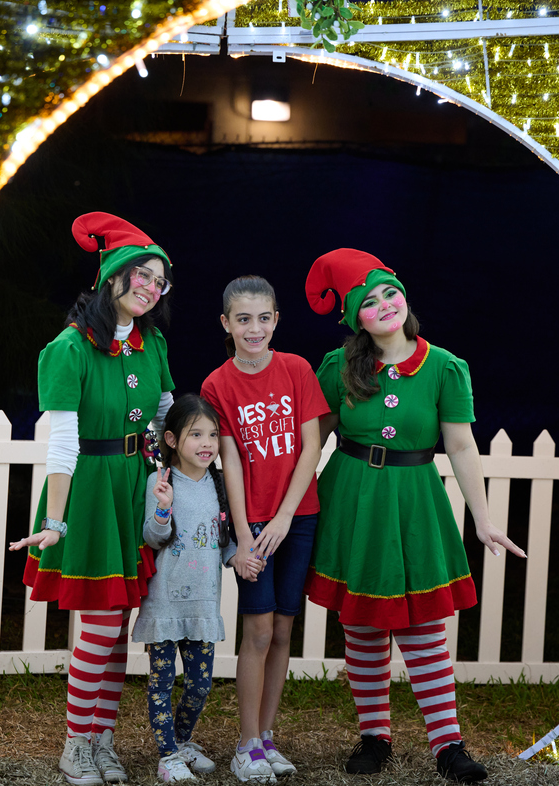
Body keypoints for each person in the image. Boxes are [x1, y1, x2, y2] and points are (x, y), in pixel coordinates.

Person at [304, 248, 525, 783]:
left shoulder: (445, 367)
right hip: (352, 498)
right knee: (361, 622)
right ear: (355, 316)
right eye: (368, 301)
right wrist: (286, 508)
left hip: (414, 498)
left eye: (389, 294)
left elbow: (463, 447)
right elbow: (313, 441)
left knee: (423, 623)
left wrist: (483, 518)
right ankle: (374, 737)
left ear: (404, 298)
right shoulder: (338, 368)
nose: (383, 305)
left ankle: (448, 745)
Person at [9, 212, 175, 786]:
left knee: (120, 620)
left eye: (160, 281)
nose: (151, 288)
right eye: (142, 276)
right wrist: (56, 518)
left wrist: (162, 476)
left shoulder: (151, 343)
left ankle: (102, 739)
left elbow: (160, 419)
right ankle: (76, 744)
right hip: (90, 491)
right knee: (101, 625)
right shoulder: (69, 348)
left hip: (134, 484)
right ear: (112, 278)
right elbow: (62, 442)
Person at [201, 276, 330, 782]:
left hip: (297, 516)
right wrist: (244, 534)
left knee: (281, 629)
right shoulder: (219, 384)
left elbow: (310, 448)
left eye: (263, 318)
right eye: (242, 319)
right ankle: (246, 743)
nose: (254, 328)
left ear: (276, 319)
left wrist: (283, 517)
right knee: (255, 629)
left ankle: (268, 736)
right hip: (252, 520)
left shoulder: (297, 370)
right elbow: (228, 461)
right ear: (226, 324)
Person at [132, 395, 238, 783]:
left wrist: (240, 557)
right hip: (164, 604)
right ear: (173, 440)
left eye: (212, 434)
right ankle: (167, 756)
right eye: (196, 434)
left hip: (204, 603)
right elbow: (153, 537)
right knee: (161, 683)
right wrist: (162, 509)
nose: (207, 443)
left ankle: (182, 741)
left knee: (200, 684)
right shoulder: (159, 482)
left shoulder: (219, 483)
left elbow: (225, 537)